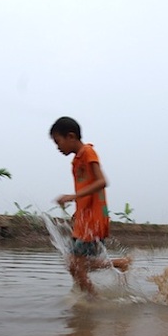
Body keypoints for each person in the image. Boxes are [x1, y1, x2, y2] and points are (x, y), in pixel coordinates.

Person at [50, 116, 130, 296]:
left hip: (94, 220)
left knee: (75, 265)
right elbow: (86, 188)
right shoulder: (76, 162)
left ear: (71, 136)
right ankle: (92, 299)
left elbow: (102, 181)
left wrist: (73, 196)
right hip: (84, 219)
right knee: (74, 266)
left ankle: (93, 301)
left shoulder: (88, 152)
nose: (58, 147)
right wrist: (78, 211)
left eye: (58, 142)